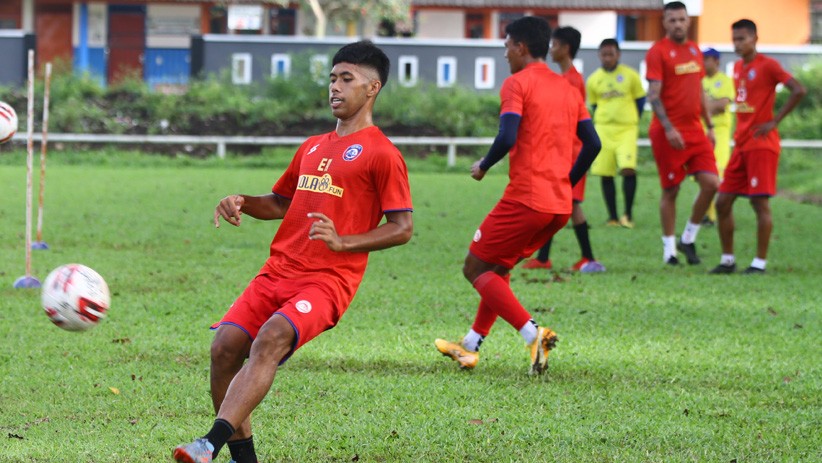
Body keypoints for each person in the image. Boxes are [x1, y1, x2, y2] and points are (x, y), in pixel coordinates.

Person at [172, 40, 414, 463]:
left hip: (328, 279)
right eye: (332, 79)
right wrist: (243, 201)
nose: (334, 87)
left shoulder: (382, 153)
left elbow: (403, 227)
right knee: (224, 348)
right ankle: (242, 459)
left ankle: (208, 443)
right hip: (278, 269)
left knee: (271, 338)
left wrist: (344, 242)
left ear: (372, 88)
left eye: (346, 79)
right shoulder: (312, 146)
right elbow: (282, 203)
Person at [434, 17, 600, 375]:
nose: (505, 52)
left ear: (521, 47)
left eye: (507, 45)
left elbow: (508, 136)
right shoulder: (569, 89)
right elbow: (593, 143)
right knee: (499, 267)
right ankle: (470, 345)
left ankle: (533, 334)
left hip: (527, 198)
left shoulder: (517, 83)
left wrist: (484, 165)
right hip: (558, 205)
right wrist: (567, 182)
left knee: (474, 267)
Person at [710, 19, 806, 275]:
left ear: (754, 38)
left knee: (759, 204)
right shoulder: (739, 68)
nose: (737, 43)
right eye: (734, 39)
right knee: (722, 202)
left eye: (742, 38)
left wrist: (774, 121)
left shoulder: (768, 65)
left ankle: (759, 264)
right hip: (741, 144)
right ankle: (727, 260)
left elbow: (798, 90)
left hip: (762, 145)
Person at [522, 26, 605, 273]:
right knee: (561, 204)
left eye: (555, 45)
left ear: (565, 48)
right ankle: (547, 257)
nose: (551, 50)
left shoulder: (572, 80)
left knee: (568, 205)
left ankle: (585, 257)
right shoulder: (567, 78)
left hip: (572, 154)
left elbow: (570, 120)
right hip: (565, 152)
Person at [645, 1, 719, 265]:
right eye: (672, 20)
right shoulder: (658, 52)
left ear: (688, 21)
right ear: (665, 23)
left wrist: (709, 125)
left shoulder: (695, 50)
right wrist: (668, 128)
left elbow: (699, 91)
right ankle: (669, 251)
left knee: (712, 184)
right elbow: (653, 95)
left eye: (681, 19)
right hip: (668, 132)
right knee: (671, 190)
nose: (677, 24)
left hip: (696, 131)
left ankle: (688, 237)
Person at [586, 38, 646, 229]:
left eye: (611, 54)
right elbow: (594, 105)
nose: (607, 58)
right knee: (606, 173)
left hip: (627, 128)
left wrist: (629, 117)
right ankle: (612, 217)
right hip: (603, 129)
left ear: (618, 54)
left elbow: (640, 101)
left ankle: (627, 214)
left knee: (628, 169)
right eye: (604, 54)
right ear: (599, 56)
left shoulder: (631, 76)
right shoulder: (594, 79)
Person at [701, 47, 736, 225]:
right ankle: (708, 214)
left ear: (716, 61)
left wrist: (704, 106)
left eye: (706, 59)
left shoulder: (724, 81)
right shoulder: (700, 81)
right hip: (702, 132)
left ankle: (716, 214)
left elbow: (721, 105)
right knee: (704, 175)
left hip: (719, 133)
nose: (703, 63)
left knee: (718, 172)